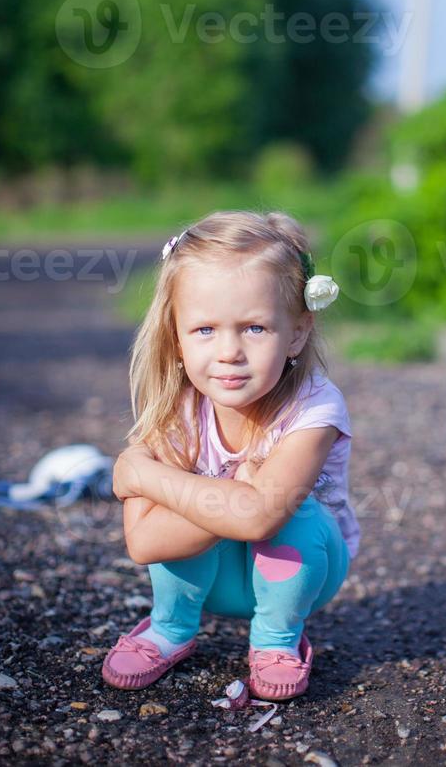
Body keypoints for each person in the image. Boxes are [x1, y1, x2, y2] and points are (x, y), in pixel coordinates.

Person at [102, 209, 361, 701]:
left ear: (298, 333)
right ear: (175, 337)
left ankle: (276, 639)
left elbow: (262, 517)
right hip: (212, 574)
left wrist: (141, 473)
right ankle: (170, 628)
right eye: (204, 330)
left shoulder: (315, 407)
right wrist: (233, 498)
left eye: (254, 329)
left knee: (294, 513)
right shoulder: (176, 410)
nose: (228, 352)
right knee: (191, 505)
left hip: (303, 571)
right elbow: (143, 544)